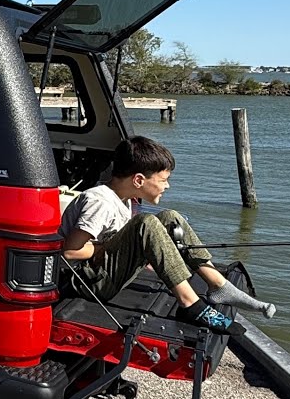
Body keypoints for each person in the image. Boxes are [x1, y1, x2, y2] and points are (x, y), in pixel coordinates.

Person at [59, 136, 276, 335]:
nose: (168, 186)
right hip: (86, 283)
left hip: (100, 274)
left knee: (170, 218)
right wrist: (117, 246)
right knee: (146, 223)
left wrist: (147, 252)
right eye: (163, 180)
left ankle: (219, 285)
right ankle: (190, 303)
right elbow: (70, 251)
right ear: (138, 180)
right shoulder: (100, 203)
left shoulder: (122, 198)